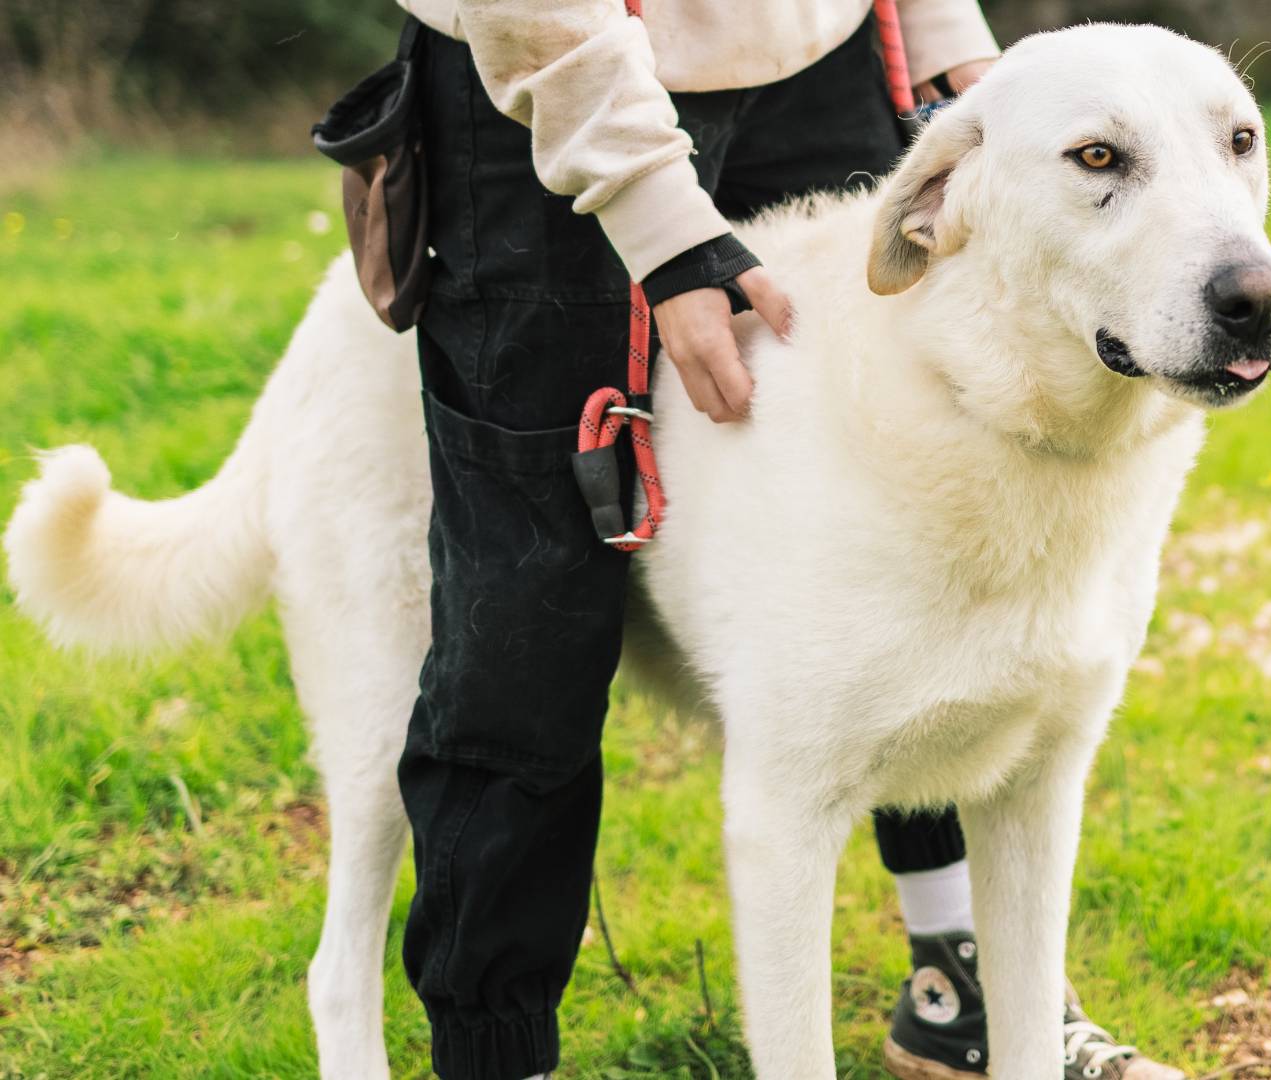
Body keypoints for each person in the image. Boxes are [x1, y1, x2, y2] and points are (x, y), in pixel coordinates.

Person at [390, 1, 1181, 1077]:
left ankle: (963, 997)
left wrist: (974, 78)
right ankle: (493, 1056)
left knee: (923, 530)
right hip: (540, 71)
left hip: (825, 53)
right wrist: (658, 227)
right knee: (526, 615)